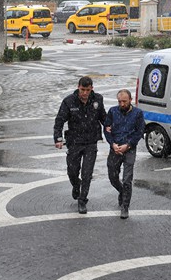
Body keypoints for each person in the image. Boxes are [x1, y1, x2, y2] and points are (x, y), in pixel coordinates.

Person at [53, 76, 106, 214]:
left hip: (90, 141)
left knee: (87, 173)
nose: (84, 93)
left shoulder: (97, 99)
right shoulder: (69, 101)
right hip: (74, 141)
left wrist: (111, 126)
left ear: (91, 89)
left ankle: (82, 200)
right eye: (82, 89)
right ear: (78, 87)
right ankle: (76, 185)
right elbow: (59, 120)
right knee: (72, 171)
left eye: (87, 90)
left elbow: (103, 117)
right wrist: (58, 138)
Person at [103, 89, 145, 219]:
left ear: (130, 100)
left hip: (129, 149)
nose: (121, 104)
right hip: (115, 148)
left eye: (124, 101)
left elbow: (140, 131)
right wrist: (112, 144)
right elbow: (106, 129)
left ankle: (125, 206)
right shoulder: (112, 111)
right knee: (112, 176)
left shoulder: (137, 113)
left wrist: (128, 145)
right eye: (119, 101)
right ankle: (121, 191)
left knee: (127, 179)